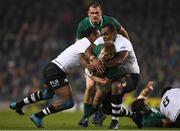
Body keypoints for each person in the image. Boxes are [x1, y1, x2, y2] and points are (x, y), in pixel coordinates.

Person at [9, 27, 100, 128]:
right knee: (68, 102)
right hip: (55, 71)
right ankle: (37, 116)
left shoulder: (83, 43)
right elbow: (81, 57)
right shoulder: (85, 43)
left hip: (53, 68)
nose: (99, 39)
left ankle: (18, 104)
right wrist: (89, 66)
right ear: (92, 35)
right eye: (98, 36)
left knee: (47, 94)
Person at [77, 1, 130, 126]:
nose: (95, 15)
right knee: (90, 87)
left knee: (103, 88)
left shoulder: (111, 22)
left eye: (97, 13)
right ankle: (86, 118)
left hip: (108, 58)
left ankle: (98, 112)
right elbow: (79, 47)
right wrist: (89, 60)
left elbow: (123, 33)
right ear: (88, 14)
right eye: (92, 13)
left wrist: (127, 48)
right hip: (92, 56)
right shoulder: (82, 25)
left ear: (101, 13)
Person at [85, 23, 140, 129]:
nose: (103, 37)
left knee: (116, 85)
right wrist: (94, 59)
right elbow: (88, 51)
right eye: (102, 34)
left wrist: (100, 66)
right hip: (113, 76)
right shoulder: (101, 40)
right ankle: (134, 115)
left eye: (106, 34)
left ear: (114, 33)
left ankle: (114, 123)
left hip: (131, 76)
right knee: (106, 109)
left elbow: (120, 60)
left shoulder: (123, 42)